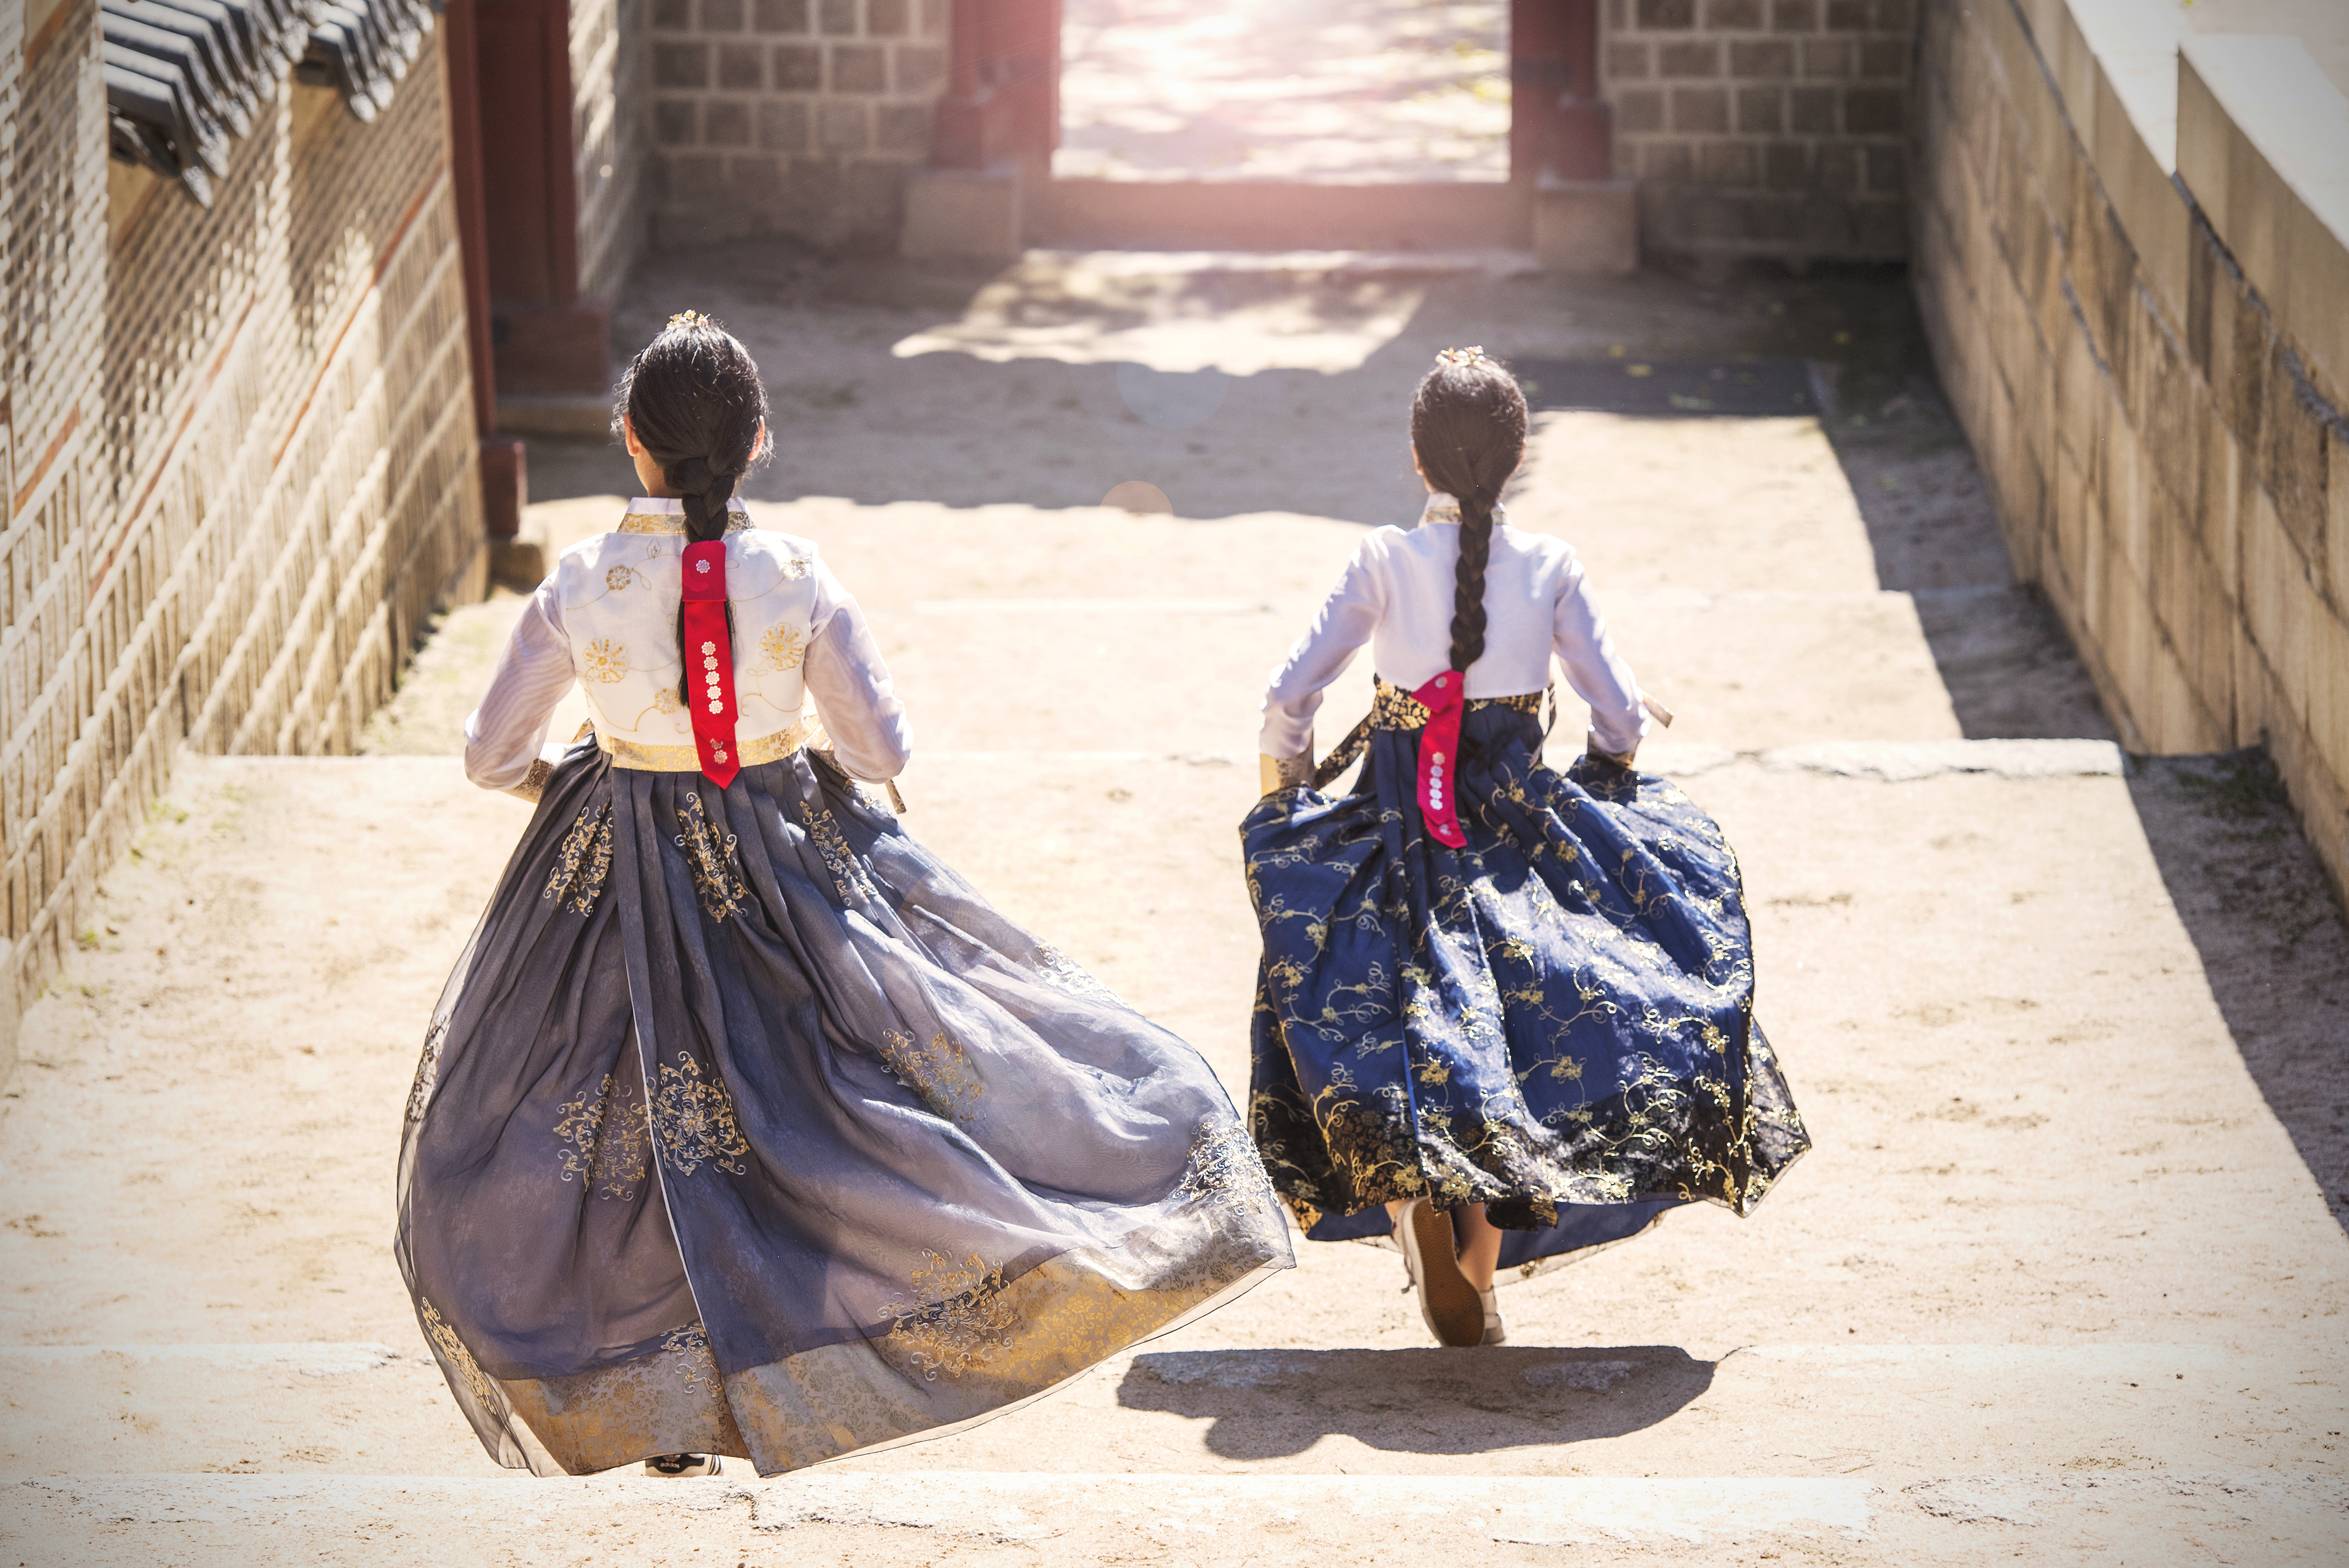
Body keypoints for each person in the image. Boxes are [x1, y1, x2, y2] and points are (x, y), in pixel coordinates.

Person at [397, 313, 1291, 1479]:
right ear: (758, 441)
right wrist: (786, 739)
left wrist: (566, 783)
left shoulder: (583, 583)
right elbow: (879, 748)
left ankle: (668, 1394)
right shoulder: (796, 577)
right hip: (783, 862)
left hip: (617, 870)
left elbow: (486, 752)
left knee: (635, 1115)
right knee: (814, 1097)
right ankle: (819, 1349)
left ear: (629, 440)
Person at [1243, 348, 1808, 1348]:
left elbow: (1292, 695)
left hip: (1397, 821)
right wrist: (1609, 768)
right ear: (1516, 460)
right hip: (1517, 829)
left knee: (1400, 1001)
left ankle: (1421, 1208)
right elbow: (1619, 708)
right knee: (1523, 1023)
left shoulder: (1382, 559)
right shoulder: (1551, 564)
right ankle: (1475, 1277)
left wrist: (1284, 781)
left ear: (1417, 458)